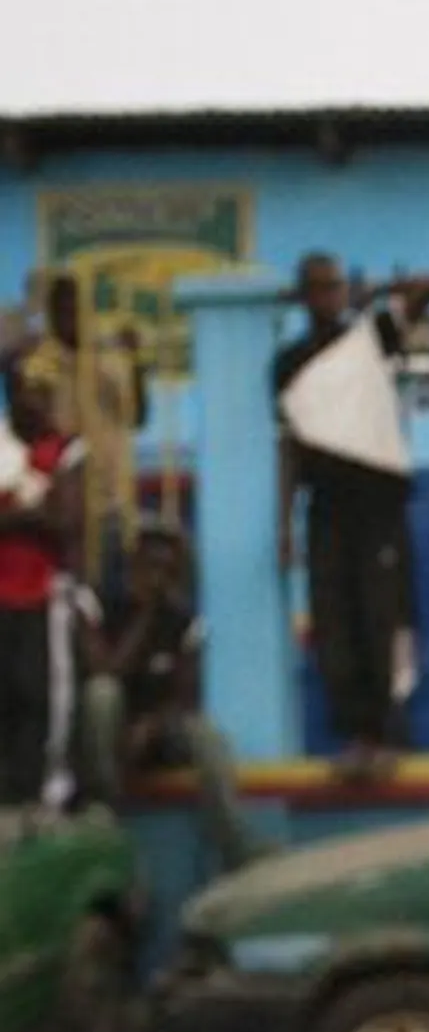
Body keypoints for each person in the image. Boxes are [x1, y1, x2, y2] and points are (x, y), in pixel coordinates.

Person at [274, 253, 429, 782]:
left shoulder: (370, 338)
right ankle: (355, 739)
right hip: (326, 508)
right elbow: (288, 447)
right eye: (318, 288)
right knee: (334, 627)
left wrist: (377, 289)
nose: (328, 296)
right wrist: (284, 523)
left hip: (379, 507)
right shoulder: (289, 361)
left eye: (335, 286)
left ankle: (389, 735)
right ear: (303, 296)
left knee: (381, 618)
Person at [74, 523, 260, 871]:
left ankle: (235, 845)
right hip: (106, 735)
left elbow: (187, 698)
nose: (159, 577)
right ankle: (103, 811)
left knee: (207, 733)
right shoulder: (99, 603)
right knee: (102, 694)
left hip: (154, 734)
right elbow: (107, 670)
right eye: (151, 566)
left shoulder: (184, 620)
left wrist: (153, 726)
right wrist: (146, 614)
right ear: (134, 565)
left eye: (168, 569)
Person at [12, 271, 150, 592]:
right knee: (68, 594)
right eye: (62, 310)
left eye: (77, 309)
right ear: (51, 314)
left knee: (111, 593)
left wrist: (136, 364)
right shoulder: (39, 364)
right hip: (62, 505)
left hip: (111, 500)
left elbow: (139, 415)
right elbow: (27, 427)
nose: (70, 318)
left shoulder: (111, 356)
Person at [0, 370, 86, 808]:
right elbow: (46, 519)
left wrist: (17, 516)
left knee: (41, 696)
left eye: (42, 393)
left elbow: (66, 524)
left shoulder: (65, 449)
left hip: (42, 594)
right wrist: (31, 515)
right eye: (25, 391)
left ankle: (42, 795)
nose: (34, 402)